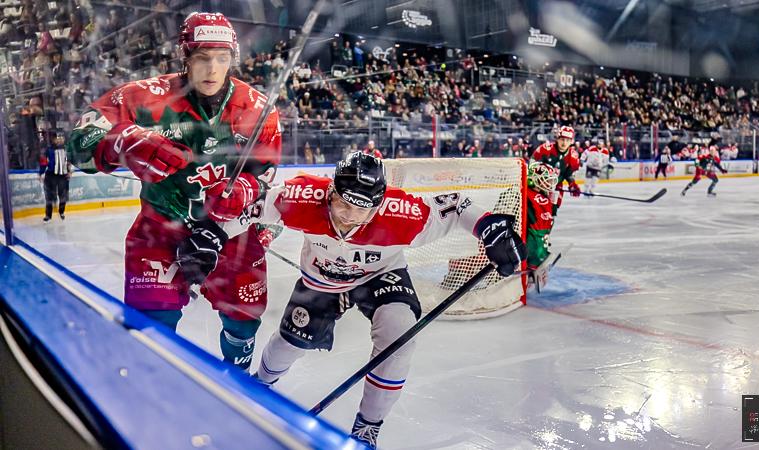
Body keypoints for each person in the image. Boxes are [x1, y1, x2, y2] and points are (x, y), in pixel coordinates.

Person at [176, 153, 526, 448]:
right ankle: (260, 387)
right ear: (330, 191)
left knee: (399, 336)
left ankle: (367, 426)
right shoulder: (304, 196)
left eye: (360, 210)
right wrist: (213, 235)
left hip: (381, 276)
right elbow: (252, 207)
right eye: (341, 203)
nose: (347, 216)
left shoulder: (402, 214)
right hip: (321, 280)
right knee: (289, 343)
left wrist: (491, 228)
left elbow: (457, 205)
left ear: (378, 205)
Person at [65, 12, 282, 371]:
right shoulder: (143, 97)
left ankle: (238, 384)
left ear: (233, 58)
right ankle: (156, 388)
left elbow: (265, 177)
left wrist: (245, 191)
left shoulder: (258, 109)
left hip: (232, 233)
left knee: (243, 322)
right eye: (202, 57)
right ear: (185, 56)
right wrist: (121, 141)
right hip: (160, 229)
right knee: (152, 326)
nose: (212, 69)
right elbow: (77, 145)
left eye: (222, 58)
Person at [530, 126, 581, 215]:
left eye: (567, 140)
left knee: (552, 211)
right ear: (557, 138)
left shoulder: (574, 156)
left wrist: (572, 184)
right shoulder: (545, 148)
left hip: (556, 187)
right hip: (539, 185)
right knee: (533, 208)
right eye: (562, 139)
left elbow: (569, 174)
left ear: (571, 141)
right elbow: (532, 163)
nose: (564, 143)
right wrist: (534, 180)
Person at [524, 161, 558, 289]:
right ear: (535, 180)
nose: (549, 184)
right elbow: (539, 230)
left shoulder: (537, 195)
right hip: (532, 251)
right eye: (546, 180)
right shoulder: (536, 199)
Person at [39, 132, 71, 222]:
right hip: (51, 174)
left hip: (63, 175)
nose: (59, 139)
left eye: (61, 137)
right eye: (58, 138)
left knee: (63, 195)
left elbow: (69, 162)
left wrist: (70, 172)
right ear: (54, 139)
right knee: (49, 196)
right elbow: (43, 161)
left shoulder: (67, 149)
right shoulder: (48, 149)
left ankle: (61, 212)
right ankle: (48, 215)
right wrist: (41, 173)